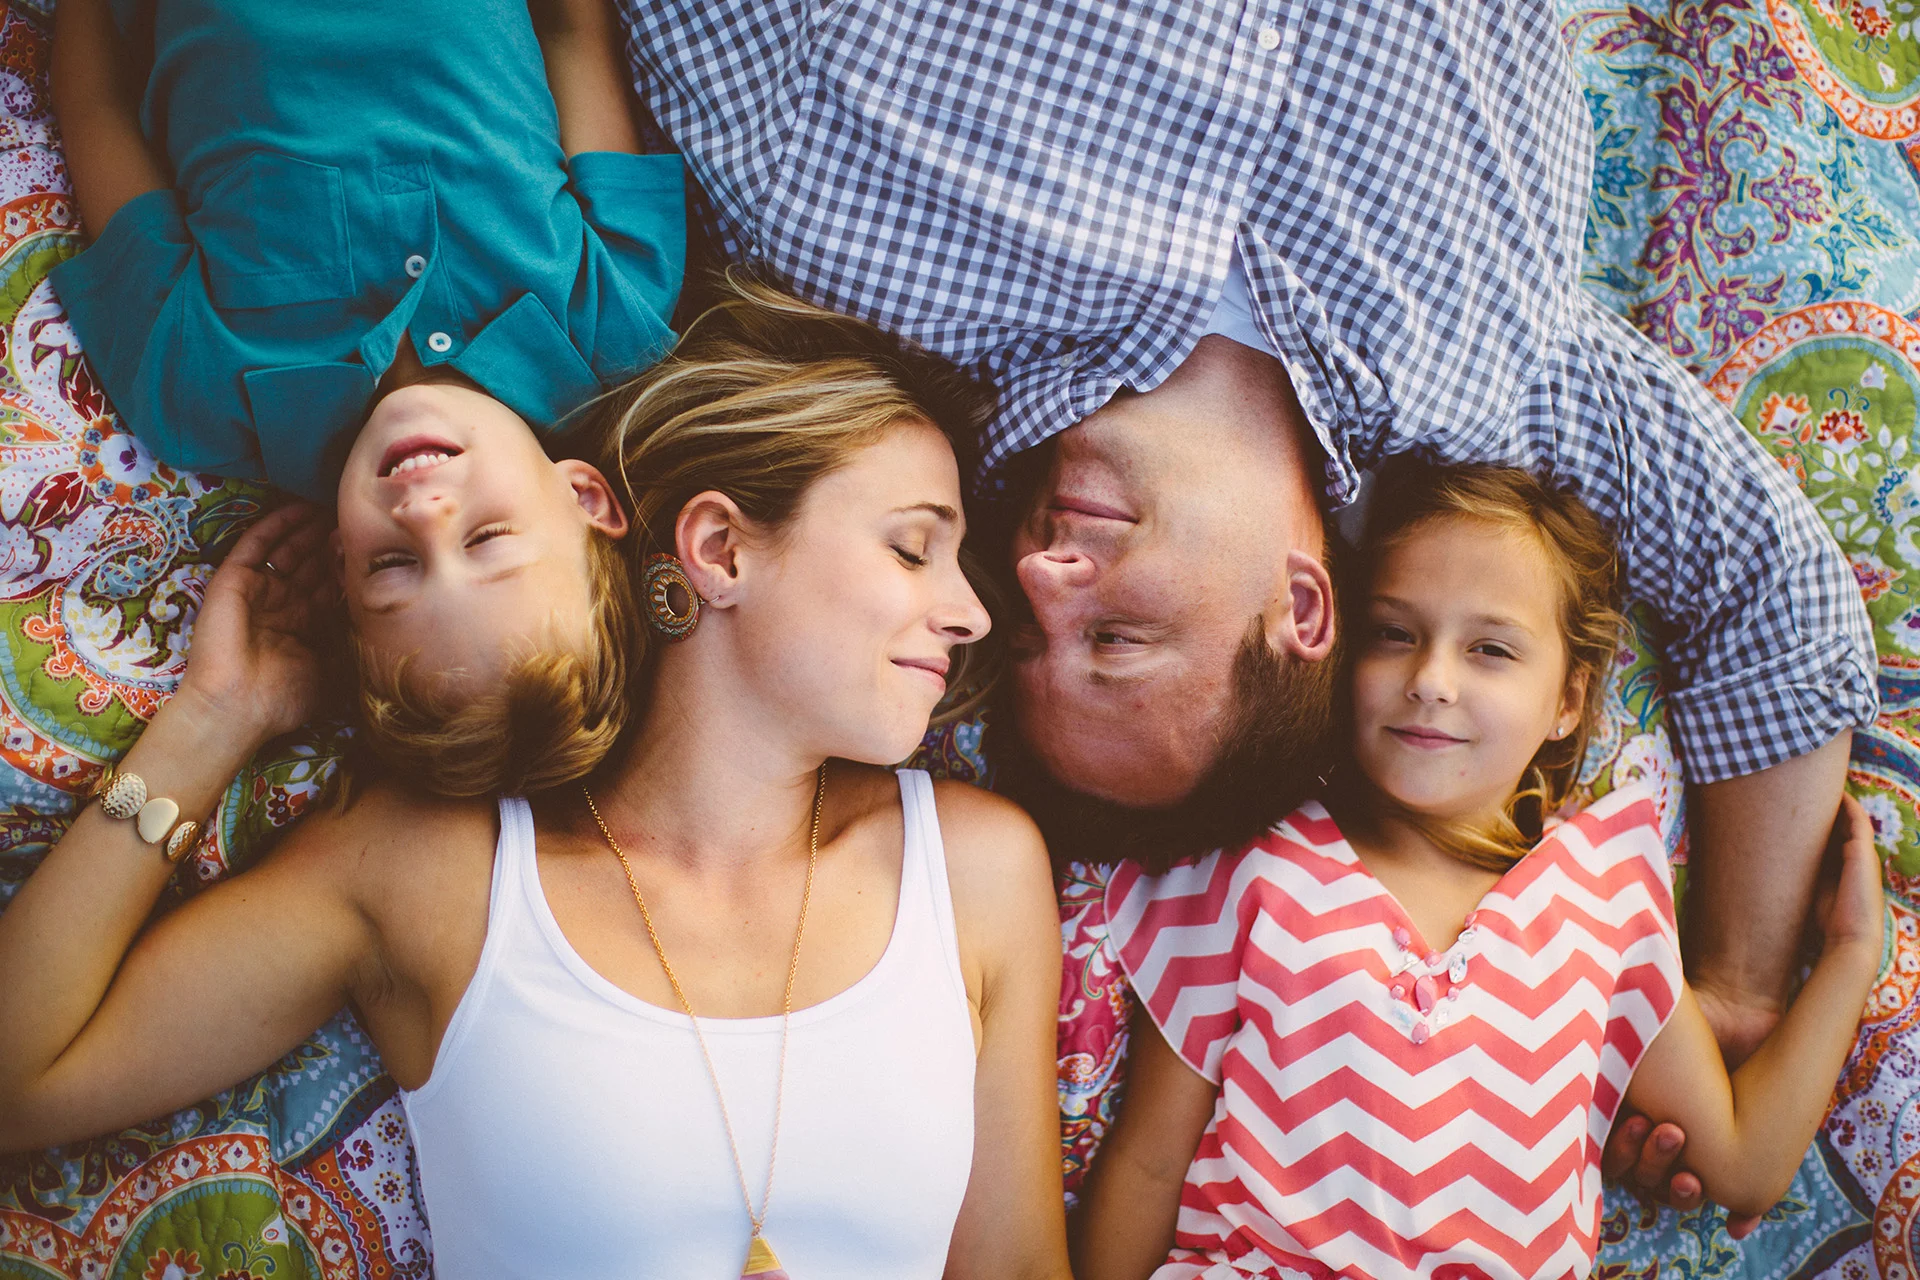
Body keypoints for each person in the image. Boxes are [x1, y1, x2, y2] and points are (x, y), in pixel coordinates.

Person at [615, 0, 1876, 1068]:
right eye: (1117, 631)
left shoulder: (849, 241)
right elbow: (1771, 604)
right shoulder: (1508, 385)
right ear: (1307, 606)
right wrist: (1737, 986)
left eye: (1030, 621)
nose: (1045, 578)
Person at [0, 286, 1071, 1279]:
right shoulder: (437, 874)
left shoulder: (977, 873)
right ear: (719, 550)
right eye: (914, 546)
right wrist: (208, 725)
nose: (972, 612)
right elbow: (26, 1077)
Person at [1071, 462, 1884, 1279]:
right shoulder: (1252, 865)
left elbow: (1742, 1163)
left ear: (1569, 702)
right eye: (1394, 634)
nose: (1431, 681)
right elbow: (1147, 1165)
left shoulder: (1603, 901)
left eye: (1490, 649)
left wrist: (1850, 956)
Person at [50, 0, 684, 793]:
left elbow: (95, 110)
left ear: (341, 568)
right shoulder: (616, 325)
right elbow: (573, 30)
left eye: (393, 565)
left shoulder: (200, 393)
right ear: (587, 497)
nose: (424, 513)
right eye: (487, 539)